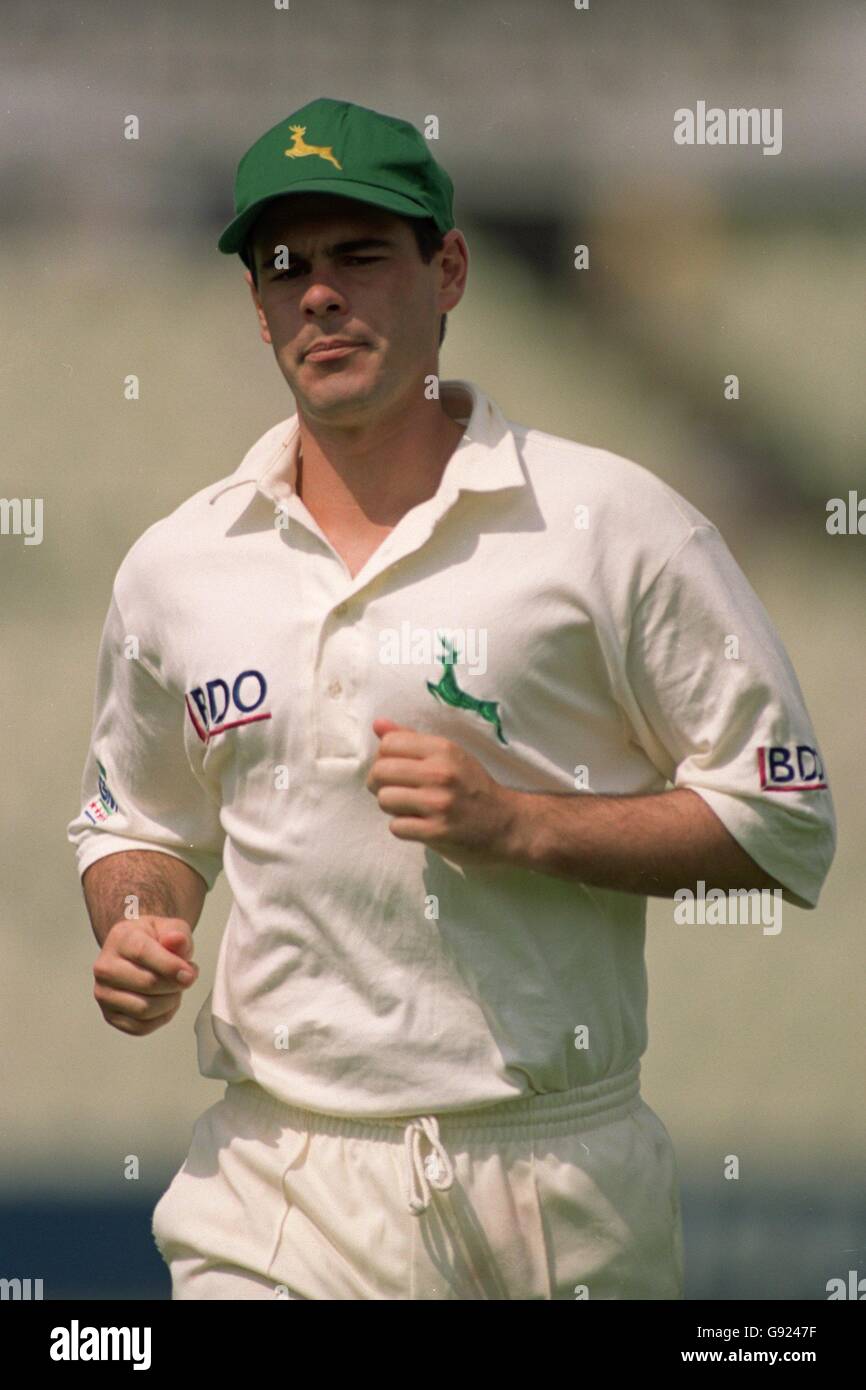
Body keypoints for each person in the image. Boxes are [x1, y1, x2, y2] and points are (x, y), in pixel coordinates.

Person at [67, 96, 836, 1300]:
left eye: (361, 256)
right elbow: (139, 825)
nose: (319, 292)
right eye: (286, 265)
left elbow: (782, 824)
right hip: (276, 1179)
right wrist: (133, 919)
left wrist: (522, 824)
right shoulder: (179, 563)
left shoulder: (610, 524)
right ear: (259, 306)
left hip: (560, 1184)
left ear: (449, 270)